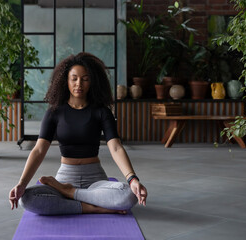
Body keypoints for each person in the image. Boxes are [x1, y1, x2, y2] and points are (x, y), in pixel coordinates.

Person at [9, 52, 147, 215]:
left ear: (92, 82)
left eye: (85, 79)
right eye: (74, 78)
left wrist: (132, 179)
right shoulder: (54, 112)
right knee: (28, 198)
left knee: (128, 196)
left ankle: (70, 194)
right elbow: (39, 150)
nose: (79, 84)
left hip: (95, 180)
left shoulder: (102, 111)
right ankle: (91, 207)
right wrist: (21, 184)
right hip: (64, 177)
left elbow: (116, 148)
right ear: (65, 80)